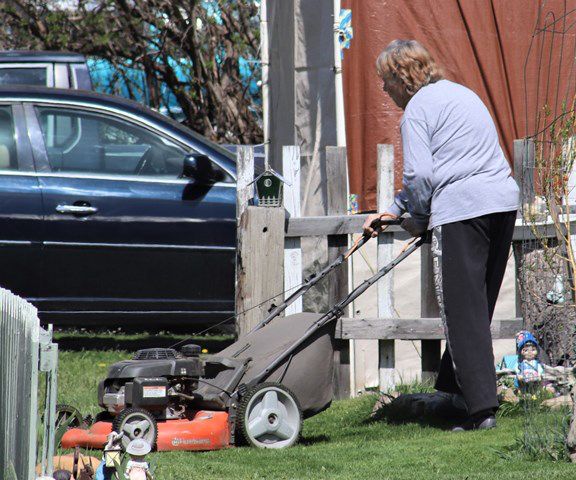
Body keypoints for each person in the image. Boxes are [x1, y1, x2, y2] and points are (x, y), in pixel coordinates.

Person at [363, 39, 519, 431]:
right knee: (475, 306)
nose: (384, 89)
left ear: (402, 78)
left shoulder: (416, 110)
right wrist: (396, 209)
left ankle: (481, 411)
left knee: (461, 311)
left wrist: (417, 215)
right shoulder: (461, 95)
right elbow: (450, 161)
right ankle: (456, 393)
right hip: (501, 203)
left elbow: (420, 175)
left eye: (385, 81)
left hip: (463, 209)